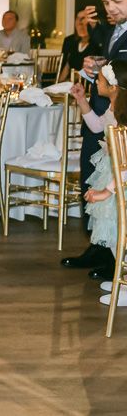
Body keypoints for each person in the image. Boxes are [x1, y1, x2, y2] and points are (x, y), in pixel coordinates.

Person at [63, 0, 127, 274]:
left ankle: (117, 257)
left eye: (117, 1)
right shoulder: (108, 30)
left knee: (116, 189)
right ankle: (99, 246)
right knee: (92, 180)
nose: (110, 9)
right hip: (100, 120)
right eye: (106, 2)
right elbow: (106, 69)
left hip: (121, 121)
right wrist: (90, 70)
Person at [74, 60, 127, 301]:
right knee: (114, 230)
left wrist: (107, 190)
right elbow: (97, 126)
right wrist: (82, 100)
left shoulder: (124, 117)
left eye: (101, 80)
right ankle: (122, 281)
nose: (97, 82)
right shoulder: (112, 108)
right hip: (111, 171)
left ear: (114, 87)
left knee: (120, 230)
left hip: (119, 178)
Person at [57, 8, 103, 85]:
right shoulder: (72, 42)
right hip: (70, 86)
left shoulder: (98, 44)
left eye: (83, 19)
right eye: (77, 19)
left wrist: (70, 83)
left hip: (88, 88)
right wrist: (58, 85)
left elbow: (94, 71)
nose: (79, 23)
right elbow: (66, 66)